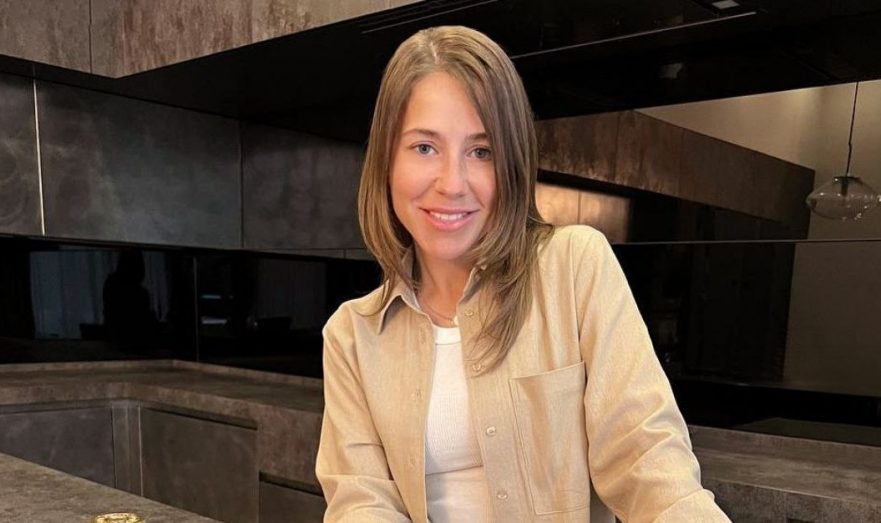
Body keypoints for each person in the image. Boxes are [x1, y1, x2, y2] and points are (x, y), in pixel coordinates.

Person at [316, 25, 731, 522]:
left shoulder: (575, 266)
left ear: (511, 164)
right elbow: (361, 502)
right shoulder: (352, 335)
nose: (452, 183)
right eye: (424, 147)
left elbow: (645, 455)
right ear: (386, 159)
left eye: (482, 151)